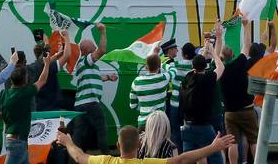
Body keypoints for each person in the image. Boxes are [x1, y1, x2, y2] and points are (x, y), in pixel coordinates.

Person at [56, 124, 235, 164]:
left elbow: (79, 157)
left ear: (117, 145)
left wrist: (67, 141)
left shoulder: (105, 161)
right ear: (140, 144)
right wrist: (213, 147)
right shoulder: (148, 162)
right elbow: (181, 160)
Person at [0, 61, 51, 164]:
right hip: (18, 142)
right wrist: (47, 64)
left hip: (14, 141)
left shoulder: (3, 94)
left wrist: (2, 115)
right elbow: (42, 80)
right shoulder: (25, 92)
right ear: (25, 80)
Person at [66, 23, 117, 153]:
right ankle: (107, 156)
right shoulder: (86, 60)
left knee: (79, 135)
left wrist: (108, 77)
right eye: (92, 45)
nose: (95, 46)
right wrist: (103, 32)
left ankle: (73, 158)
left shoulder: (86, 65)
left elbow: (95, 78)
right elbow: (102, 50)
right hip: (91, 103)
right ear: (87, 50)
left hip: (80, 104)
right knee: (102, 130)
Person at [218, 18, 258, 164]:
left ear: (221, 58)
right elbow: (247, 46)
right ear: (233, 54)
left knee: (232, 143)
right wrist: (246, 27)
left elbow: (216, 54)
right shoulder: (241, 62)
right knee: (253, 140)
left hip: (230, 112)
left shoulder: (220, 70)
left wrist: (218, 36)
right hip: (247, 109)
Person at [180, 41, 225, 164]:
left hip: (187, 126)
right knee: (215, 157)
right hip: (203, 126)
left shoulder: (187, 78)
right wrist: (213, 53)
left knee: (189, 158)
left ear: (193, 67)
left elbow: (197, 65)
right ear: (205, 67)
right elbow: (221, 67)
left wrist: (205, 51)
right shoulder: (207, 79)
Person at [164, 41, 195, 153]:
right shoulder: (197, 65)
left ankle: (181, 154)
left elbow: (165, 65)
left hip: (175, 104)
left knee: (176, 131)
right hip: (190, 104)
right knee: (191, 131)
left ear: (184, 54)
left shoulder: (175, 65)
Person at [130, 53, 174, 129]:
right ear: (159, 66)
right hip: (160, 122)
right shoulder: (163, 78)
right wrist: (162, 64)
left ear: (146, 66)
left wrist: (145, 108)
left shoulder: (136, 82)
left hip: (144, 123)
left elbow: (133, 106)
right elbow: (173, 70)